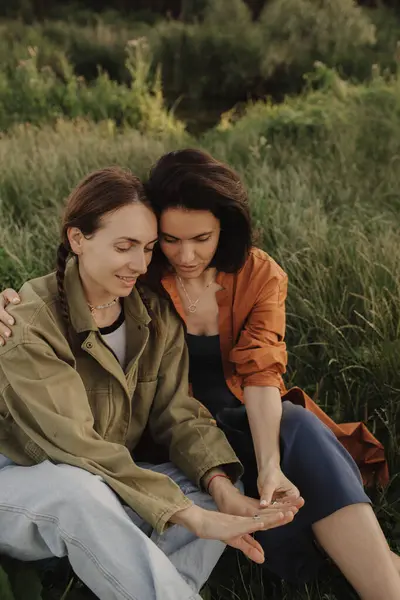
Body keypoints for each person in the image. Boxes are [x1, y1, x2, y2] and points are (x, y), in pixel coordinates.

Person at [0, 167, 300, 600]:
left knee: (218, 486)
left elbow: (177, 416)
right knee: (77, 491)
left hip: (108, 485)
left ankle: (133, 581)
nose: (140, 265)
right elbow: (77, 447)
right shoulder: (28, 320)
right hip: (24, 481)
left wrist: (216, 488)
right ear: (77, 239)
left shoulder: (155, 317)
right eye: (124, 247)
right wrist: (188, 517)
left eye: (147, 248)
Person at [140, 149, 399, 599]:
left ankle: (383, 586)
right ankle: (378, 569)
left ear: (226, 226)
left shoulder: (259, 274)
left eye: (202, 238)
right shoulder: (137, 271)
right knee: (301, 452)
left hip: (244, 417)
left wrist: (271, 467)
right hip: (168, 430)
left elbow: (261, 374)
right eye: (169, 239)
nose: (185, 255)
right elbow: (69, 291)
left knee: (294, 425)